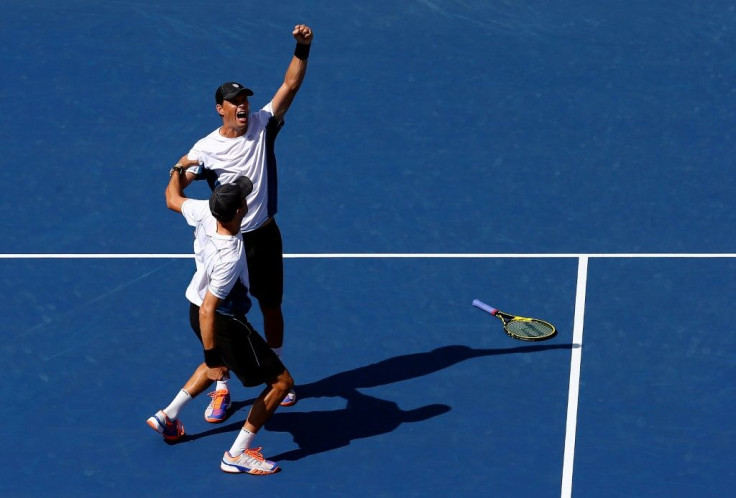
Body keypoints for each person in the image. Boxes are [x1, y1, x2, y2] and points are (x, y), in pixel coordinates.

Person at [173, 23, 312, 417]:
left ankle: (277, 372)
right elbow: (179, 183)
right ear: (220, 108)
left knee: (271, 306)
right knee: (221, 315)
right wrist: (181, 173)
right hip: (228, 242)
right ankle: (221, 384)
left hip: (264, 237)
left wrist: (302, 48)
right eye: (235, 101)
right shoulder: (206, 147)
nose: (243, 105)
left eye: (245, 99)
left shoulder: (263, 125)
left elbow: (289, 86)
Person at [146, 167, 294, 475]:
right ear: (239, 209)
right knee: (281, 384)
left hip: (193, 304)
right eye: (242, 198)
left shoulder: (203, 210)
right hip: (221, 319)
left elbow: (172, 197)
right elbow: (210, 311)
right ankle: (236, 455)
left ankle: (168, 416)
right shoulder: (229, 253)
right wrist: (211, 356)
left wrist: (177, 169)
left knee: (221, 365)